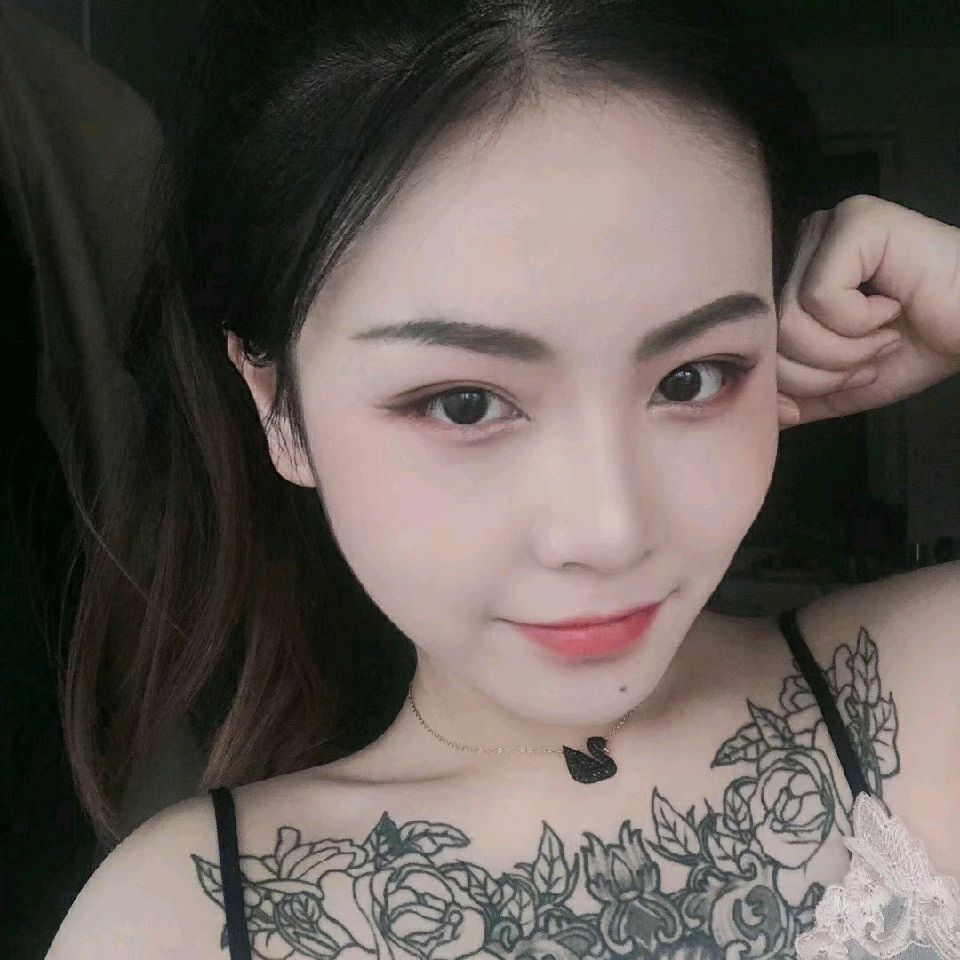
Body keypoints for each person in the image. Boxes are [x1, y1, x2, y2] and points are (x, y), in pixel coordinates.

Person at [45, 1, 960, 959]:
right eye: (465, 404)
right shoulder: (179, 923)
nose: (608, 530)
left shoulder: (924, 692)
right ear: (280, 408)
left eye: (693, 378)